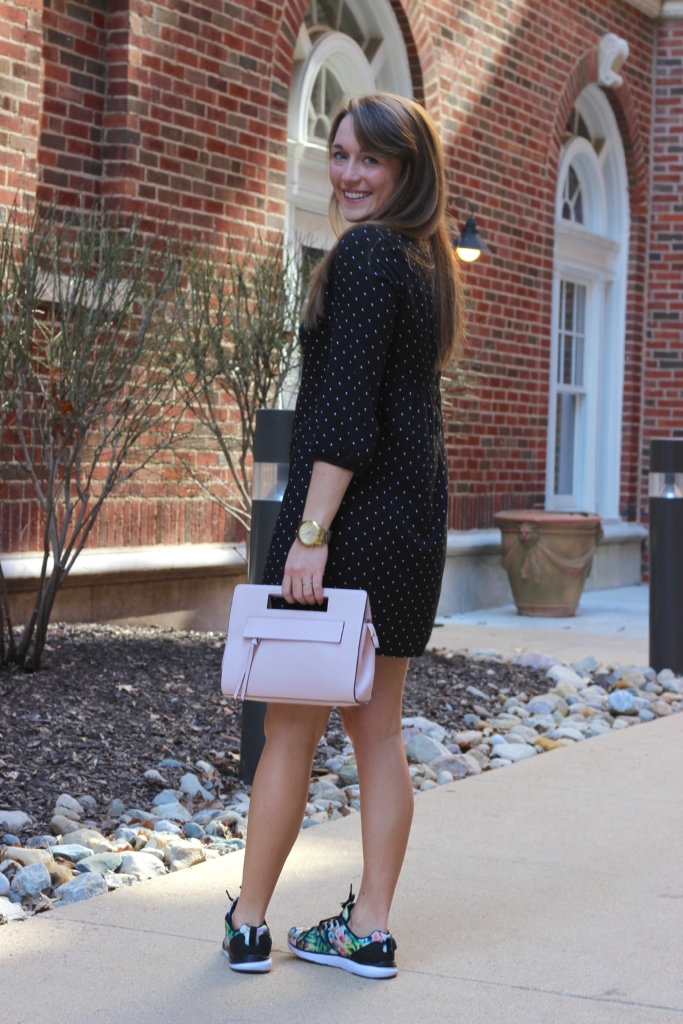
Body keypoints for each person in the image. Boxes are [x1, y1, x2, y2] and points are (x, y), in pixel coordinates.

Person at [222, 91, 465, 979]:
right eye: (340, 155)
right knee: (379, 731)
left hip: (350, 519)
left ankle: (249, 922)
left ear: (406, 169)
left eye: (371, 159)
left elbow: (345, 412)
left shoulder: (364, 253)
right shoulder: (424, 262)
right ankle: (367, 927)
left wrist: (311, 530)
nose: (351, 174)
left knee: (290, 727)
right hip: (407, 524)